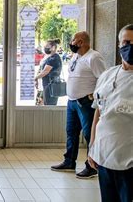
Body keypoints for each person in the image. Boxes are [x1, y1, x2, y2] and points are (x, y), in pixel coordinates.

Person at [50, 31, 106, 179]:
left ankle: (91, 166)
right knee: (71, 132)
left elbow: (103, 78)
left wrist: (94, 96)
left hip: (86, 102)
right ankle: (69, 161)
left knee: (89, 134)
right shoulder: (76, 56)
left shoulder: (94, 57)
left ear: (81, 42)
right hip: (72, 101)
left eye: (73, 40)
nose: (71, 43)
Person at [88, 24, 133, 202]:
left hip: (129, 162)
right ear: (119, 45)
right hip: (104, 157)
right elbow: (99, 112)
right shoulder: (107, 75)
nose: (130, 47)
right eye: (126, 42)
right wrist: (92, 146)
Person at [34, 39, 63, 105]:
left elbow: (45, 71)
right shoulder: (49, 57)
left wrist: (36, 78)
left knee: (49, 106)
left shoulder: (54, 58)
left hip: (51, 87)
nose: (45, 47)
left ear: (53, 48)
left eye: (47, 46)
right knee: (42, 105)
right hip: (47, 85)